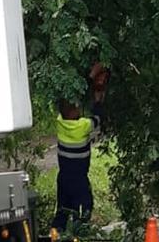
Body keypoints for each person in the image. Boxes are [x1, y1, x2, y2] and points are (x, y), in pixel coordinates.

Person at [51, 63, 109, 233]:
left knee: (62, 209)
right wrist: (98, 99)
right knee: (84, 207)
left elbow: (69, 98)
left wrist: (90, 77)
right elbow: (98, 118)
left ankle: (56, 233)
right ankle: (79, 233)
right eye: (77, 107)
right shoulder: (84, 126)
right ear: (75, 112)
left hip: (63, 177)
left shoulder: (60, 123)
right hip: (79, 179)